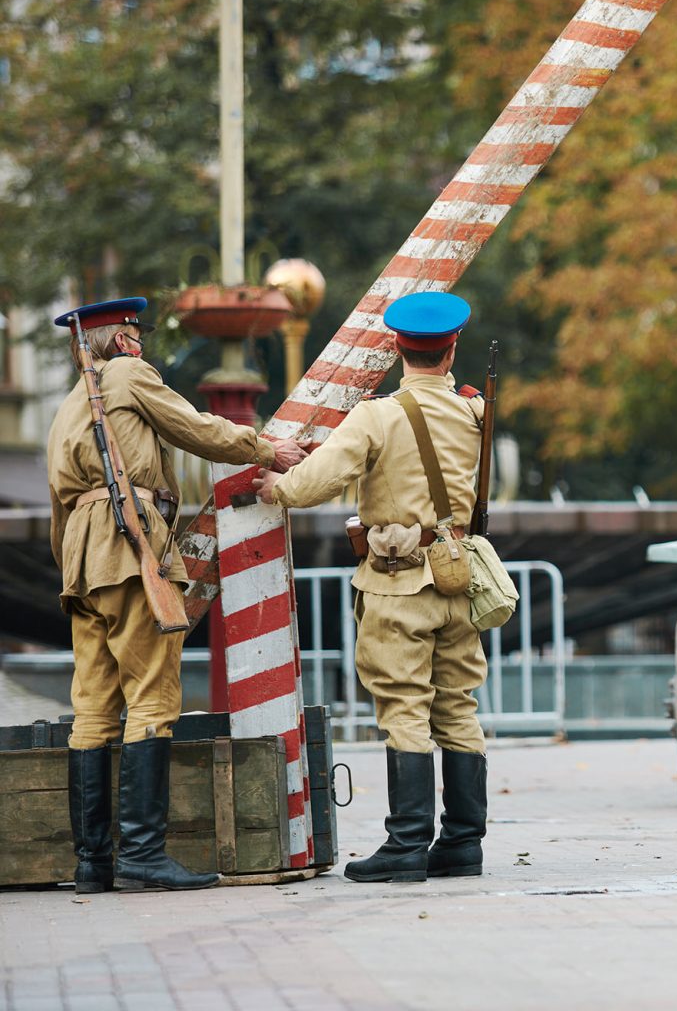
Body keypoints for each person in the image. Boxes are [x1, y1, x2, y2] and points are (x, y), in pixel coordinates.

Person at [47, 296, 307, 892]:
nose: (141, 345)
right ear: (118, 340)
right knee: (152, 698)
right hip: (129, 547)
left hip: (84, 568)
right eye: (133, 334)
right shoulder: (128, 375)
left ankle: (92, 864)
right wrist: (266, 449)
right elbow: (196, 427)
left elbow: (61, 511)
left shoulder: (67, 407)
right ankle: (142, 857)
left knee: (92, 709)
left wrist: (73, 573)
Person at [255, 291, 490, 883]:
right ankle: (462, 844)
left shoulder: (377, 415)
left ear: (396, 347)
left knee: (404, 709)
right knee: (457, 708)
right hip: (459, 578)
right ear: (452, 346)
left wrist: (273, 488)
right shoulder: (476, 411)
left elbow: (313, 485)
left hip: (398, 586)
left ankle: (406, 845)